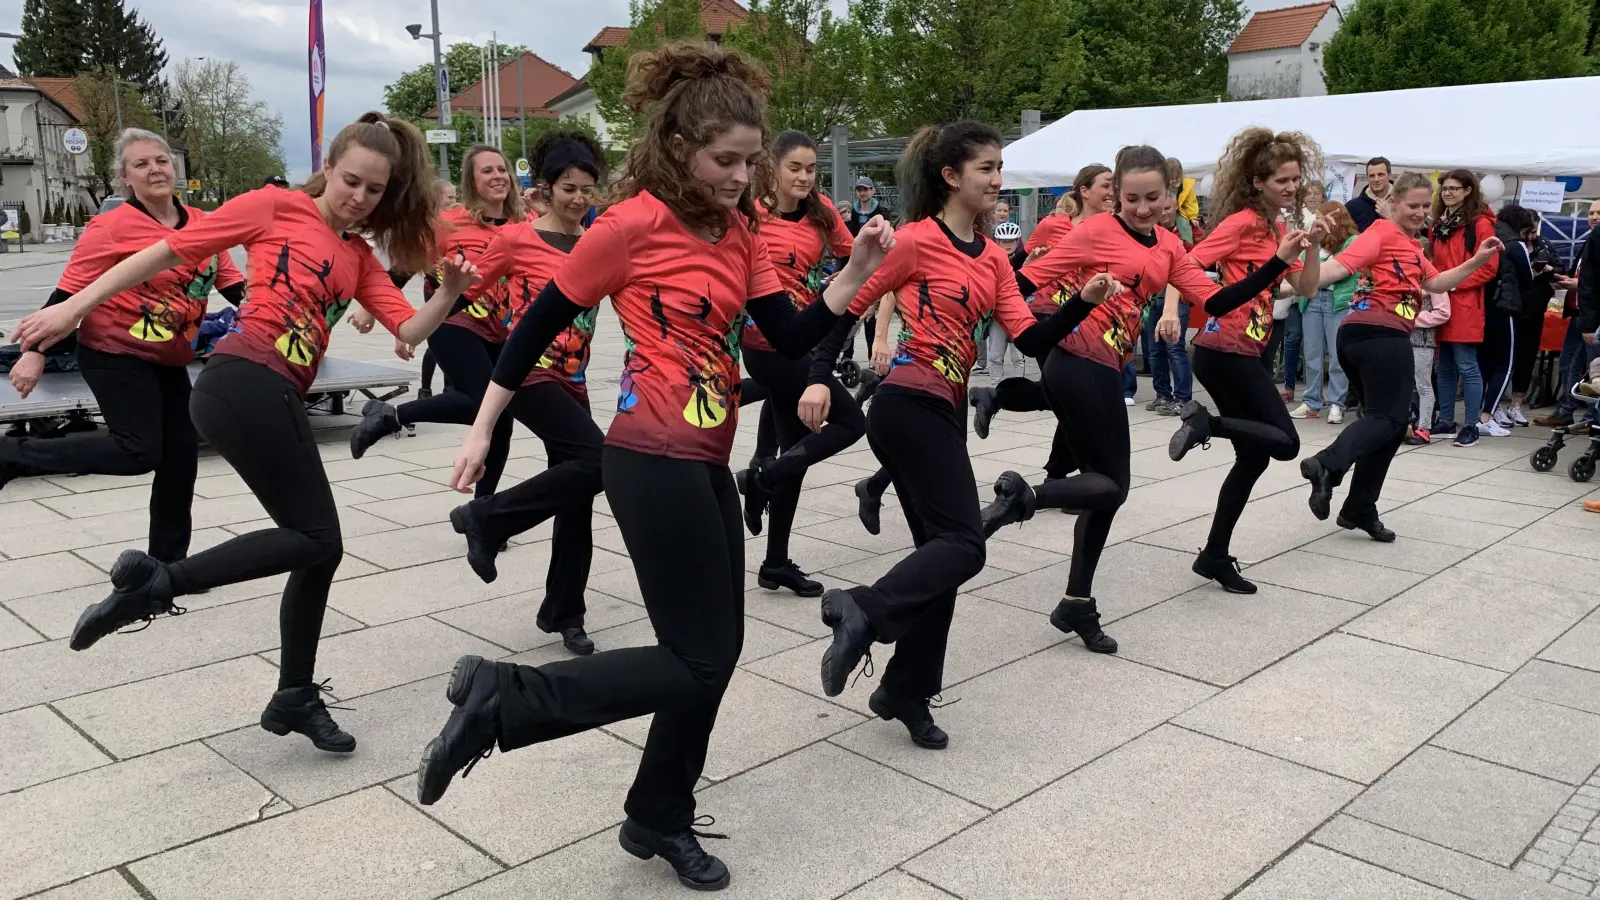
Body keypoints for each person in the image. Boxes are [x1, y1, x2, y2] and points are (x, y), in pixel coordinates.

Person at [412, 42, 894, 891]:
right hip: (647, 456)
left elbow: (785, 335)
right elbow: (529, 332)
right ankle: (507, 701)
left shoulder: (738, 231)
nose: (743, 176)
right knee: (700, 658)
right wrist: (481, 429)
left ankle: (656, 812)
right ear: (677, 148)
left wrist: (854, 270)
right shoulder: (628, 227)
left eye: (751, 160)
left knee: (716, 650)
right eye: (726, 160)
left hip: (708, 458)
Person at [12, 112, 479, 754]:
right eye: (351, 181)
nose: (359, 198)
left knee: (320, 547)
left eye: (375, 190)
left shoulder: (357, 256)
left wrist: (449, 291)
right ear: (329, 166)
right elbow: (167, 251)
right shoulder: (273, 206)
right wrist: (70, 307)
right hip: (241, 380)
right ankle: (156, 586)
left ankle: (293, 695)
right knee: (315, 537)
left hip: (272, 392)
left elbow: (407, 330)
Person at [806, 121, 1125, 746]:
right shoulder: (916, 242)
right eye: (986, 169)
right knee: (965, 544)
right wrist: (819, 377)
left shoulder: (996, 260)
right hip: (904, 404)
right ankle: (863, 609)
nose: (998, 181)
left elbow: (1029, 340)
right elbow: (844, 300)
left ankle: (905, 690)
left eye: (1000, 169)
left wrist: (1082, 303)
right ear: (951, 176)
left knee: (942, 561)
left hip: (944, 411)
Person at [981, 145, 1306, 653]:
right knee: (1112, 485)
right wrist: (1025, 313)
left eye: (1152, 197)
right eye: (1130, 198)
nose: (1140, 207)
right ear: (1116, 195)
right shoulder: (1094, 231)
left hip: (1107, 366)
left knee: (1101, 491)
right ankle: (1027, 499)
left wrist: (1276, 264)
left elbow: (1216, 300)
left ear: (1169, 194)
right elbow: (1018, 282)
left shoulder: (1169, 245)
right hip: (1077, 360)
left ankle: (1076, 602)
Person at [1, 129, 246, 575]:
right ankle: (13, 454)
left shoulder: (205, 224)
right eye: (141, 164)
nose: (154, 169)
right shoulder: (110, 227)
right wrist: (33, 352)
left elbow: (235, 287)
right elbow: (67, 293)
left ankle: (167, 568)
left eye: (162, 161)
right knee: (139, 451)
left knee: (179, 460)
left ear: (175, 169)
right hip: (114, 352)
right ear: (125, 178)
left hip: (170, 357)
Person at [444, 131, 608, 656]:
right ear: (545, 187)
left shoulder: (598, 244)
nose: (579, 198)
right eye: (568, 188)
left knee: (577, 494)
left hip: (575, 380)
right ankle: (485, 519)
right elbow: (463, 289)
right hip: (529, 374)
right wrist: (405, 320)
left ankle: (564, 611)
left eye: (587, 189)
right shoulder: (517, 238)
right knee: (599, 460)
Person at [1300, 172, 1503, 535]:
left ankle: (1360, 508)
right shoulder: (1380, 233)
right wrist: (1304, 266)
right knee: (1388, 419)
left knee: (1391, 427)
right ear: (1392, 203)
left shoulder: (1411, 245)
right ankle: (1326, 465)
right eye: (1413, 205)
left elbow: (1436, 281)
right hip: (1379, 335)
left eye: (1426, 206)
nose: (1420, 212)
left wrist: (1476, 260)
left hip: (1367, 337)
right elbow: (1338, 268)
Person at [1166, 127, 1324, 594]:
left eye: (1295, 179)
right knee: (1286, 443)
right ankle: (1205, 426)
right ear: (1257, 181)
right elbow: (1186, 264)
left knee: (1254, 458)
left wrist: (1309, 245)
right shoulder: (1240, 223)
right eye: (1281, 180)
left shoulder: (1279, 229)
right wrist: (1174, 311)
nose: (1291, 188)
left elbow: (1309, 288)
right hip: (1223, 348)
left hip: (1248, 349)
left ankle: (1214, 555)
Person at [348, 145, 525, 498]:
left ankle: (482, 511)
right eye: (487, 171)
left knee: (500, 422)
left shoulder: (526, 224)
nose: (497, 176)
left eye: (501, 169)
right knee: (480, 404)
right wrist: (376, 311)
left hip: (501, 330)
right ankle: (395, 416)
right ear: (472, 181)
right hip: (453, 323)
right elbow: (404, 265)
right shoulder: (450, 223)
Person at [734, 130, 866, 597]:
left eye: (812, 169)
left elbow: (857, 258)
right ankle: (761, 476)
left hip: (803, 339)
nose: (805, 177)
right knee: (851, 422)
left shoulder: (822, 214)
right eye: (795, 168)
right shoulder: (749, 215)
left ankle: (774, 562)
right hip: (764, 343)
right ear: (771, 167)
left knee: (797, 452)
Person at [1428, 169, 1502, 446]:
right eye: (1444, 188)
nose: (1448, 193)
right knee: (1443, 366)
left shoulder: (1480, 224)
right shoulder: (1439, 223)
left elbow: (1489, 267)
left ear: (1468, 190)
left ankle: (1471, 425)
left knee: (1467, 366)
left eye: (1454, 188)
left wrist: (1453, 283)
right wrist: (1436, 283)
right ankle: (1446, 420)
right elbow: (1435, 261)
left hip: (1465, 303)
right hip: (1441, 302)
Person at [1292, 201, 1358, 422]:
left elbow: (1345, 271)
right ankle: (1311, 401)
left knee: (1337, 355)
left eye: (1320, 216)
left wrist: (1313, 278)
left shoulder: (1352, 241)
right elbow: (1301, 269)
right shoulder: (1314, 242)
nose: (1316, 220)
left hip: (1336, 301)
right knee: (1311, 353)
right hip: (1311, 301)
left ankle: (1336, 403)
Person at [1537, 198, 1600, 428]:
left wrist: (1577, 284)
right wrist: (1563, 277)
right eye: (1591, 213)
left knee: (1595, 370)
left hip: (1593, 317)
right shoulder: (1589, 240)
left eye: (1599, 213)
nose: (1594, 217)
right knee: (1568, 363)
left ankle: (1593, 419)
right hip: (1578, 313)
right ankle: (1565, 411)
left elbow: (1592, 281)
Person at [1345, 157, 1392, 232]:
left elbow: (1413, 236)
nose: (1376, 179)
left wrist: (1390, 218)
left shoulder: (1403, 202)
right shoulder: (1352, 207)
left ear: (1389, 176)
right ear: (1367, 178)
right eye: (1372, 176)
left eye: (1380, 175)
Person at [1166, 156, 1199, 224]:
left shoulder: (1186, 186)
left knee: (1184, 225)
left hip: (1178, 213)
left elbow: (1190, 202)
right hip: (1162, 212)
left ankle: (1186, 235)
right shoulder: (1160, 185)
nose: (1174, 180)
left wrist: (1192, 217)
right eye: (1171, 178)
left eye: (1176, 178)